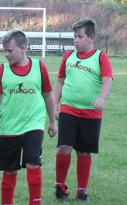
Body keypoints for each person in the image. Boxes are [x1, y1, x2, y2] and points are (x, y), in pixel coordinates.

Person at [0, 28, 57, 205]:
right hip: (9, 128)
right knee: (10, 170)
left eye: (10, 51)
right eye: (4, 50)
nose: (6, 54)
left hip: (33, 126)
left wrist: (52, 121)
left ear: (23, 48)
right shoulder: (2, 70)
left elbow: (48, 95)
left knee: (33, 164)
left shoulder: (39, 67)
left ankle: (35, 202)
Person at [53, 18, 113, 202]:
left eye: (80, 37)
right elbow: (60, 80)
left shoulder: (101, 57)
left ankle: (81, 190)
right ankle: (60, 188)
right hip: (69, 109)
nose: (76, 40)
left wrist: (101, 97)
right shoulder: (68, 57)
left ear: (91, 38)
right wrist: (55, 103)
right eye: (74, 37)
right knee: (64, 148)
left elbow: (108, 79)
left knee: (84, 152)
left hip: (91, 114)